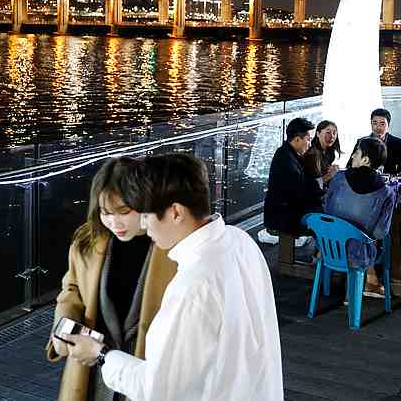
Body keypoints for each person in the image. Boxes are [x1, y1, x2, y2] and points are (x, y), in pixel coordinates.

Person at [64, 153, 283, 400]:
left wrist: (101, 354)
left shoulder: (193, 285)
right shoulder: (240, 241)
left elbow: (158, 390)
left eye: (145, 215)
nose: (144, 225)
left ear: (176, 212)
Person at [47, 158, 178, 401]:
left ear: (145, 202)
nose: (114, 223)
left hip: (146, 368)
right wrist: (64, 324)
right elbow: (72, 289)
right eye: (105, 213)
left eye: (124, 212)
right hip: (92, 370)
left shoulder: (172, 247)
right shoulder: (88, 240)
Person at [323, 136, 399, 269]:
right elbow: (380, 233)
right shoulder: (387, 193)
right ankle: (371, 278)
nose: (353, 156)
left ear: (366, 160)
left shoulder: (339, 179)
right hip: (358, 256)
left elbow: (327, 211)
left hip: (328, 248)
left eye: (357, 152)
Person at [263, 117, 321, 237]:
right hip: (282, 218)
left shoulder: (288, 153)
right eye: (308, 140)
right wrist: (324, 180)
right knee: (324, 222)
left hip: (287, 211)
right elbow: (301, 190)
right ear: (297, 139)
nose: (310, 144)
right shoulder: (285, 160)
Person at [369, 108, 401, 175]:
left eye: (382, 124)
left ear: (388, 125)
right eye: (375, 123)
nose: (378, 127)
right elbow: (351, 167)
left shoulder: (397, 143)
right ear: (371, 124)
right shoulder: (362, 142)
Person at [302, 120, 341, 187]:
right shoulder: (312, 154)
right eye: (328, 132)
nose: (332, 136)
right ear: (318, 134)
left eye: (334, 133)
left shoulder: (329, 152)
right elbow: (312, 185)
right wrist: (330, 175)